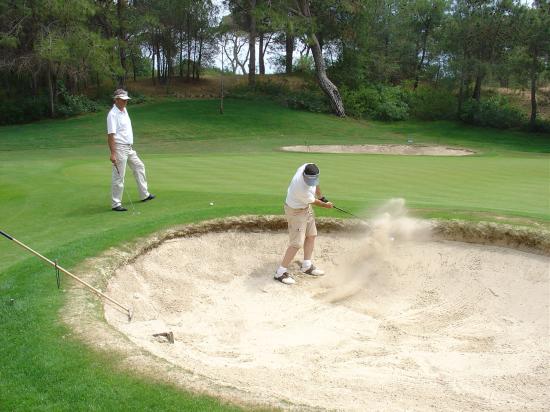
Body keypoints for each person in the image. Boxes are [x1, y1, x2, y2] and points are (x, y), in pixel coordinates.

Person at [275, 163, 333, 285]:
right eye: (309, 180)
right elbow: (315, 202)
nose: (311, 182)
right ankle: (280, 272)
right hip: (296, 211)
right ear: (304, 175)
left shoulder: (308, 166)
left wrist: (321, 196)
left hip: (306, 208)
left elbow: (316, 183)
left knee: (311, 235)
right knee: (296, 243)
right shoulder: (300, 187)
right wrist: (326, 205)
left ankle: (306, 265)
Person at [107, 89, 155, 211]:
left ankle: (144, 195)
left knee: (139, 167)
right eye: (123, 100)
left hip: (129, 148)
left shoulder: (124, 110)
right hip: (119, 148)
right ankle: (116, 204)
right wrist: (112, 153)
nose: (125, 102)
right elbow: (111, 135)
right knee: (119, 176)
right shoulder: (112, 115)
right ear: (116, 100)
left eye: (126, 100)